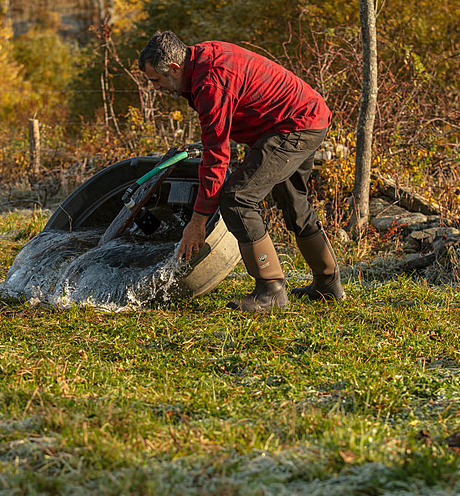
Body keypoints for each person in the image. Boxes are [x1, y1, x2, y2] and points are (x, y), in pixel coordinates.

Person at [138, 30, 345, 312]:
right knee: (293, 202)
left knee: (237, 198)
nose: (155, 87)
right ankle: (328, 283)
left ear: (174, 68)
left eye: (156, 80)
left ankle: (271, 289)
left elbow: (216, 157)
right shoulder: (200, 59)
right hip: (305, 116)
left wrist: (197, 223)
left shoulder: (211, 83)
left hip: (294, 125)